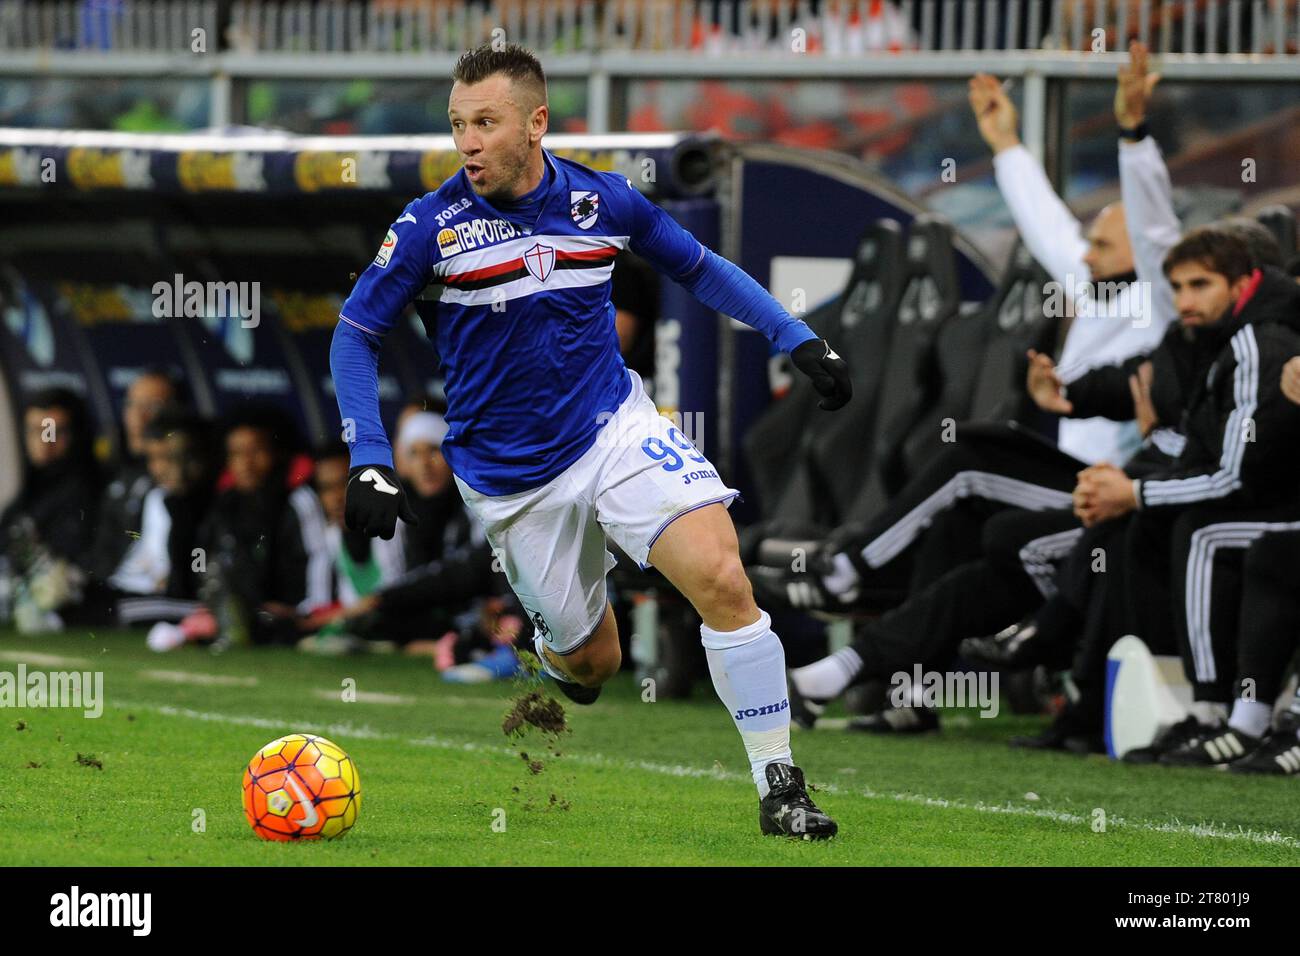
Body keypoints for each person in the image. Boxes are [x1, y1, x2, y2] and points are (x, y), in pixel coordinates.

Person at [330, 44, 852, 839]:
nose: (467, 142)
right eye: (457, 125)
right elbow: (354, 334)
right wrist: (369, 458)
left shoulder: (604, 202)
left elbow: (701, 268)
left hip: (613, 429)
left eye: (485, 123)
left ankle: (781, 786)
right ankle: (556, 644)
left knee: (721, 576)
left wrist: (796, 335)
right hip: (509, 480)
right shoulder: (430, 227)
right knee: (593, 667)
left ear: (536, 124)